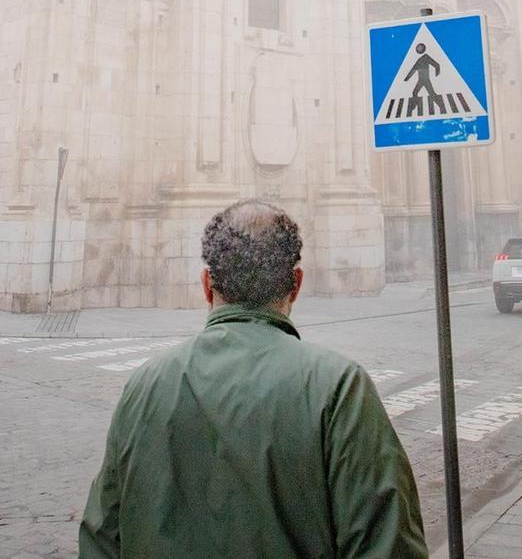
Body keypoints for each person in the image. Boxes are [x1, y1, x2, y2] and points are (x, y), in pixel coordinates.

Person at [79, 199, 426, 559]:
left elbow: (103, 536)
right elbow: (386, 544)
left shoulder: (143, 386)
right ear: (296, 284)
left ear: (206, 285)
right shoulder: (339, 388)